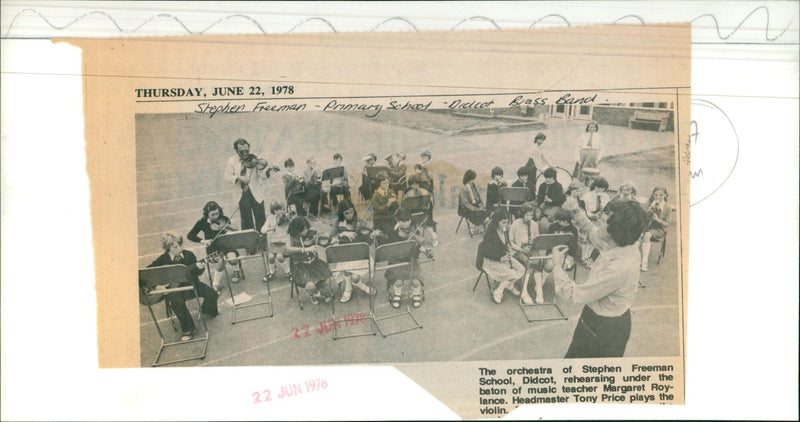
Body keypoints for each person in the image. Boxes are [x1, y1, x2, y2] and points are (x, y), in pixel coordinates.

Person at [550, 200, 648, 358]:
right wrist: (576, 212)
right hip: (601, 320)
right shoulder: (623, 245)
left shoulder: (618, 269)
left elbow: (572, 295)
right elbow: (595, 234)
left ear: (614, 231)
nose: (598, 223)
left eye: (602, 222)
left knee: (582, 376)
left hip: (604, 329)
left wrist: (556, 266)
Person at [145, 232, 219, 341]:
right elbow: (148, 273)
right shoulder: (163, 259)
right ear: (168, 248)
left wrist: (200, 267)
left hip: (192, 285)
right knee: (176, 303)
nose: (179, 248)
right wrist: (157, 287)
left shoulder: (189, 255)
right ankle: (189, 328)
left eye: (180, 244)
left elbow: (197, 273)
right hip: (174, 290)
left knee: (212, 293)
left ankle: (206, 309)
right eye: (175, 246)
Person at [187, 201, 241, 290]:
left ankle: (236, 270)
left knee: (233, 259)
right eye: (212, 215)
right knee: (221, 262)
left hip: (226, 245)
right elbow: (190, 235)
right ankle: (215, 285)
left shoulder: (223, 218)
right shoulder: (202, 222)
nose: (216, 216)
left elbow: (235, 229)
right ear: (207, 214)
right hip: (213, 249)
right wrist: (203, 241)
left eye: (217, 213)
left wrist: (226, 226)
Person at [329, 201, 376, 303]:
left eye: (351, 212)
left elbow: (370, 231)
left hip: (358, 254)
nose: (350, 215)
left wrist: (372, 234)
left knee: (354, 276)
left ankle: (355, 287)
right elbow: (330, 238)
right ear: (342, 213)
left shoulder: (358, 221)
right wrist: (341, 234)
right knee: (346, 270)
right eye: (347, 213)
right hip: (345, 254)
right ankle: (350, 288)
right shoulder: (338, 222)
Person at [381, 209, 429, 308]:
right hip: (397, 261)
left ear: (411, 220)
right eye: (402, 221)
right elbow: (389, 249)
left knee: (415, 281)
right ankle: (397, 294)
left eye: (407, 220)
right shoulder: (392, 233)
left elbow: (419, 245)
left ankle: (416, 294)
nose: (405, 224)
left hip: (410, 260)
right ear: (397, 220)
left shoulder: (415, 232)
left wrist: (423, 249)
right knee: (398, 281)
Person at [222, 138, 269, 232]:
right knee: (246, 220)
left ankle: (262, 242)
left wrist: (267, 171)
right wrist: (239, 178)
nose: (244, 154)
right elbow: (226, 177)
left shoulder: (255, 158)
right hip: (242, 193)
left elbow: (262, 175)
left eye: (246, 151)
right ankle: (250, 244)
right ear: (236, 151)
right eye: (241, 152)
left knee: (261, 218)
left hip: (256, 193)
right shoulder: (232, 160)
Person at [479, 210, 526, 304]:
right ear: (497, 222)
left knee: (522, 269)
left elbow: (505, 243)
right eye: (503, 222)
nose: (506, 224)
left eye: (507, 222)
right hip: (491, 260)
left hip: (503, 257)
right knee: (511, 273)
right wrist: (500, 258)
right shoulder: (490, 234)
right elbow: (486, 252)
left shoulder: (504, 231)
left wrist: (508, 246)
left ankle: (509, 285)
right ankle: (498, 291)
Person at [285, 216, 333, 305]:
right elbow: (288, 249)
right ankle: (314, 294)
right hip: (300, 266)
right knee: (310, 285)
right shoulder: (291, 237)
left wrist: (327, 237)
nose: (306, 231)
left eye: (306, 228)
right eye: (303, 230)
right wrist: (305, 249)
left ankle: (318, 290)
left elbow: (325, 240)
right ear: (296, 230)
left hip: (314, 263)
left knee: (326, 281)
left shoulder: (311, 233)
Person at [640, 187, 670, 272]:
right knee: (636, 234)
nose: (658, 197)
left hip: (659, 230)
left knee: (646, 235)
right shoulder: (650, 203)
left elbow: (667, 224)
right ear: (653, 195)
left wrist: (657, 220)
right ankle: (634, 260)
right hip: (648, 227)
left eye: (661, 195)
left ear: (665, 195)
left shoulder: (667, 207)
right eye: (656, 195)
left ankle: (644, 263)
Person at [405, 174, 438, 247]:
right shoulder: (408, 193)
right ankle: (416, 239)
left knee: (425, 223)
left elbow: (428, 205)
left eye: (416, 184)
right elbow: (406, 205)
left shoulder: (425, 191)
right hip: (412, 214)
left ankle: (434, 237)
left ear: (418, 183)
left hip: (424, 213)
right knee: (409, 223)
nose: (414, 186)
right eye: (412, 185)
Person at [261, 201, 291, 279]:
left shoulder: (286, 217)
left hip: (284, 243)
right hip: (273, 243)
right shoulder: (270, 218)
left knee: (279, 256)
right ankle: (272, 272)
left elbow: (292, 227)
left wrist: (290, 219)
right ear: (273, 210)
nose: (280, 211)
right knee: (270, 257)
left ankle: (288, 272)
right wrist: (270, 228)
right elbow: (262, 230)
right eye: (277, 210)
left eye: (281, 209)